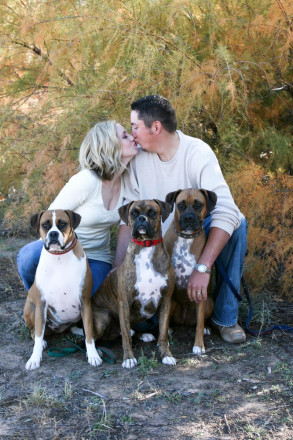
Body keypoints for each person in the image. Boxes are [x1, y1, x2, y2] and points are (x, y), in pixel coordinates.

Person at [113, 95, 248, 344]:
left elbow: (227, 210)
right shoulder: (137, 160)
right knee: (144, 319)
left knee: (238, 223)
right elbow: (127, 221)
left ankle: (225, 318)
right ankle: (158, 315)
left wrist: (203, 267)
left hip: (193, 238)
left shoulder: (197, 152)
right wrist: (119, 266)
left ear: (156, 127)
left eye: (134, 126)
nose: (132, 134)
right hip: (155, 246)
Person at [17, 120, 138, 296]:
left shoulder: (128, 182)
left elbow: (125, 226)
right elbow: (50, 218)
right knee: (28, 257)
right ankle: (36, 302)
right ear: (110, 146)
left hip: (97, 258)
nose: (132, 137)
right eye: (125, 136)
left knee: (86, 303)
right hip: (64, 250)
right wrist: (60, 254)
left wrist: (118, 265)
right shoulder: (86, 180)